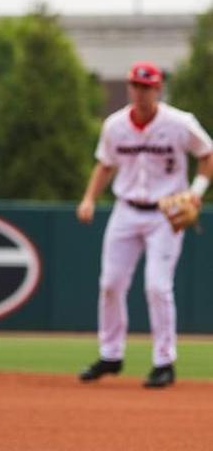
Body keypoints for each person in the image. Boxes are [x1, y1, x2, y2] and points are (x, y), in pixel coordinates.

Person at [76, 61, 213, 388]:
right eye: (135, 85)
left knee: (157, 286)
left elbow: (208, 154)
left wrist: (196, 193)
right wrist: (89, 198)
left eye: (147, 86)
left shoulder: (180, 123)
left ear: (158, 89)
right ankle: (111, 354)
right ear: (129, 88)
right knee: (110, 283)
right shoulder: (115, 125)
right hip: (125, 210)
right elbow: (105, 164)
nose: (140, 92)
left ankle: (164, 362)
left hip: (165, 214)